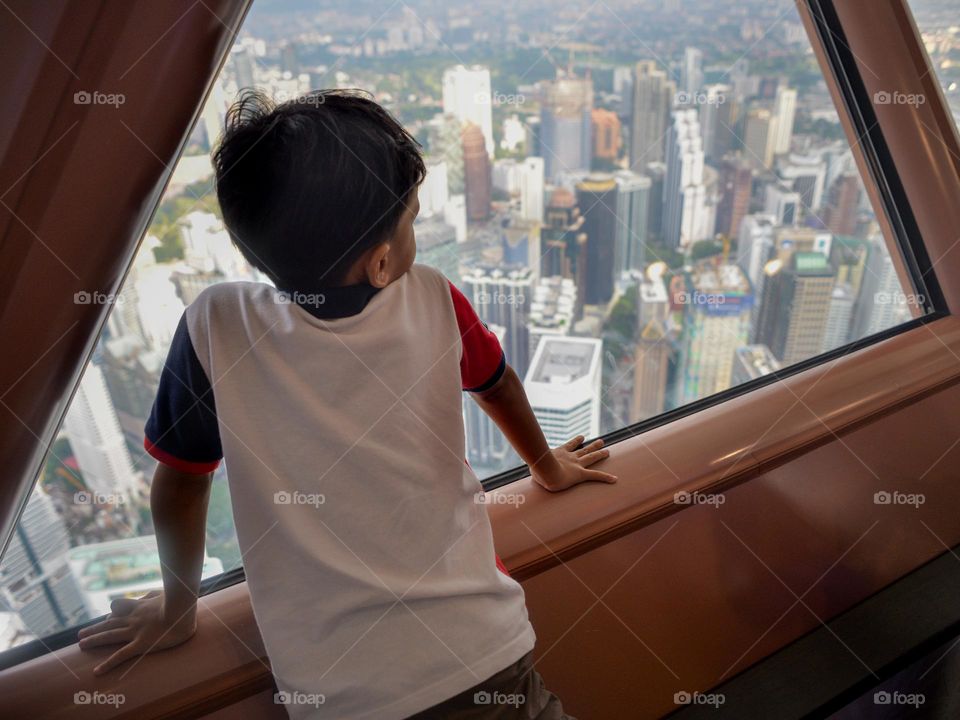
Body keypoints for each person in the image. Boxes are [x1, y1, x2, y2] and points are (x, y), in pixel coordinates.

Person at [78, 89, 617, 719]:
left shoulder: (214, 324)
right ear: (382, 261)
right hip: (483, 651)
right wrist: (546, 468)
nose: (415, 229)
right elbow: (498, 384)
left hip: (340, 695)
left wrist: (178, 607)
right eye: (412, 218)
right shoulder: (434, 299)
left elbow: (182, 482)